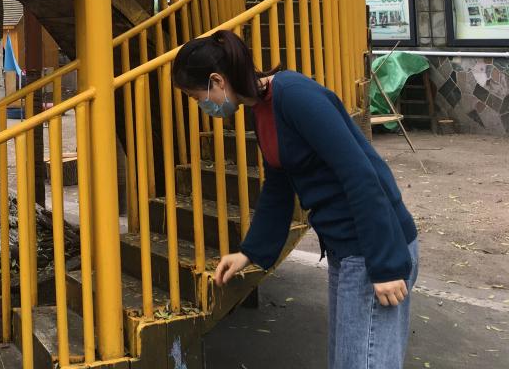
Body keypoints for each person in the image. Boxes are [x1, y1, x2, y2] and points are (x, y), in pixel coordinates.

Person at [171, 30, 418, 369]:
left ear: (217, 80)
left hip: (374, 245)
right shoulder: (261, 109)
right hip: (347, 248)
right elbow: (278, 184)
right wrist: (249, 252)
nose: (202, 106)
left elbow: (360, 173)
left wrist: (386, 265)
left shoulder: (294, 96)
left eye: (196, 97)